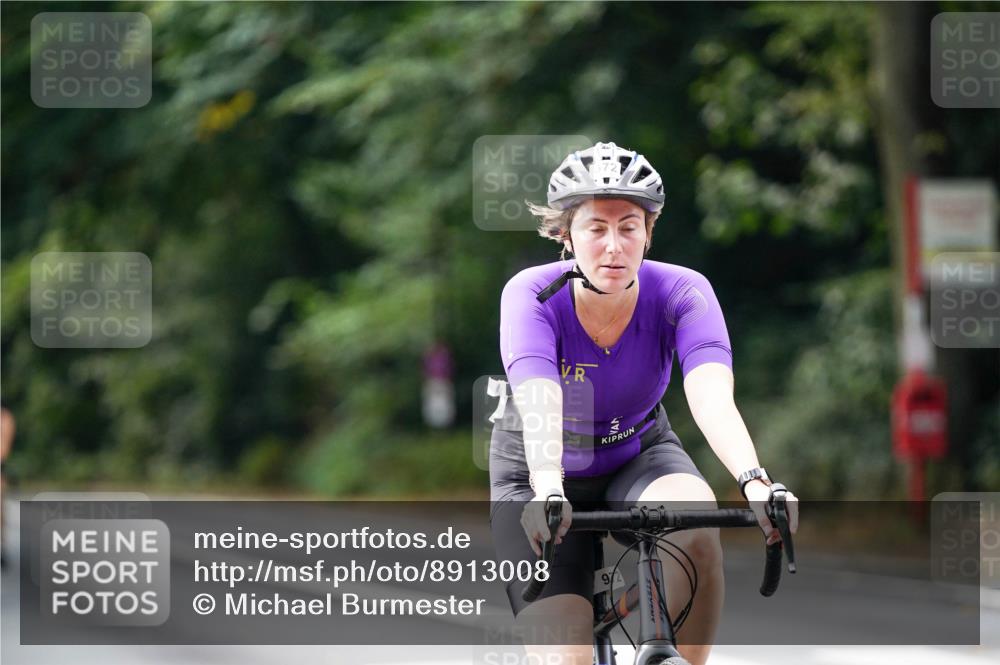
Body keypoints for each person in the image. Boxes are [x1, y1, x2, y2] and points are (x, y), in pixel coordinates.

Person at [489, 141, 799, 665]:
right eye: (596, 228)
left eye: (629, 226)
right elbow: (539, 397)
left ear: (649, 233)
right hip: (536, 467)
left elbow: (710, 396)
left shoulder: (683, 291)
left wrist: (755, 480)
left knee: (696, 522)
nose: (614, 245)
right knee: (568, 659)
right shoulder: (531, 294)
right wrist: (546, 486)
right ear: (566, 234)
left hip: (637, 451)